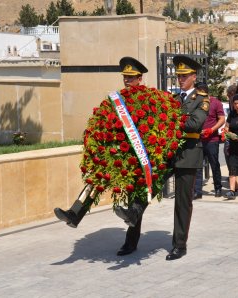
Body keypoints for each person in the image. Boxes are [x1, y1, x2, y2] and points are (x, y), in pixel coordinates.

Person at [54, 57, 152, 256]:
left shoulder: (148, 99)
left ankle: (130, 242)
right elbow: (106, 121)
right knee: (95, 179)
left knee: (136, 198)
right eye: (125, 77)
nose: (126, 80)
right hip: (116, 151)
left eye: (131, 78)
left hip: (136, 155)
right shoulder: (117, 99)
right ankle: (75, 214)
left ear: (139, 78)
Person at [166, 55, 209, 261]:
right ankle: (133, 218)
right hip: (170, 152)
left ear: (193, 76)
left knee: (182, 202)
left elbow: (194, 125)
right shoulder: (174, 99)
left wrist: (172, 118)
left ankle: (179, 245)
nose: (180, 79)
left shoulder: (202, 99)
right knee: (148, 181)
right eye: (178, 76)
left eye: (184, 76)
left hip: (189, 154)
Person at [194, 82, 225, 199]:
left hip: (212, 139)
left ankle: (218, 188)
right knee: (197, 166)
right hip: (198, 139)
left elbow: (222, 119)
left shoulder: (215, 103)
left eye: (198, 93)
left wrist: (212, 130)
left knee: (214, 164)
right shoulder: (195, 104)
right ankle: (198, 191)